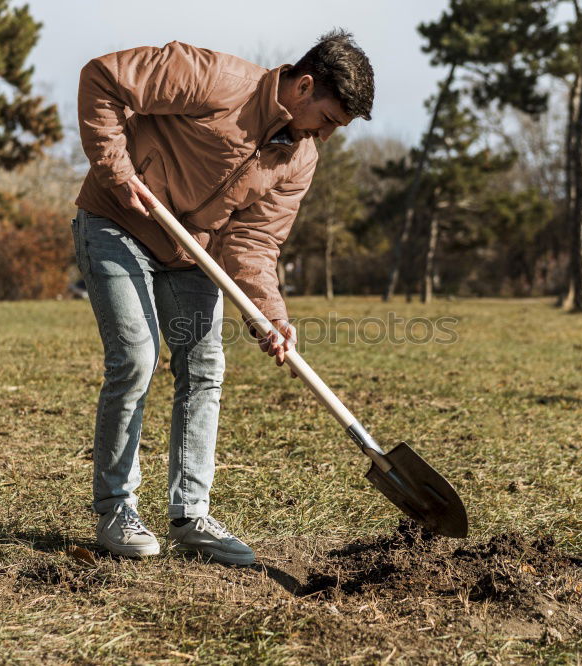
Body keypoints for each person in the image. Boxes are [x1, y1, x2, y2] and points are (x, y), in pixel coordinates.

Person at [72, 31, 374, 564]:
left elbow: (255, 242)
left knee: (205, 365)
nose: (325, 136)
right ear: (304, 86)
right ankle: (116, 508)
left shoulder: (299, 158)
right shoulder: (213, 78)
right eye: (327, 120)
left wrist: (269, 314)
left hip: (190, 254)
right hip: (116, 222)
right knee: (136, 358)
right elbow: (102, 78)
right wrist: (116, 171)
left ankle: (191, 515)